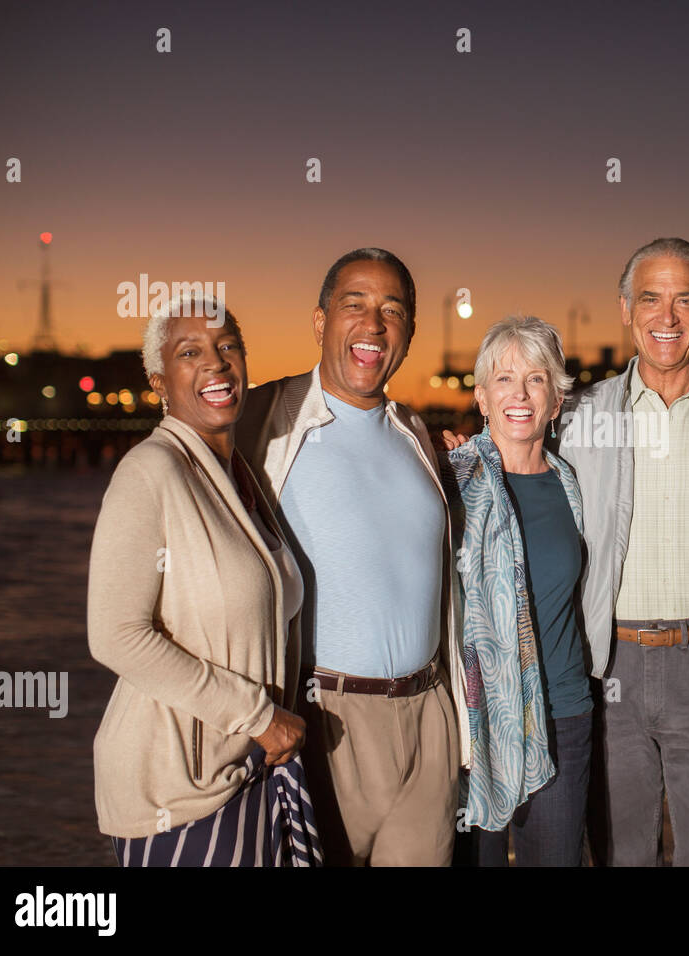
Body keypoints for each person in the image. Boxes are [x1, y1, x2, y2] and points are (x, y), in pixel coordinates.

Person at [235, 248, 469, 867]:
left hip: (430, 719)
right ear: (320, 321)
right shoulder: (261, 420)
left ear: (409, 334)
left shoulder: (418, 436)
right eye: (355, 305)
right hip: (322, 721)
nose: (374, 325)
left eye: (393, 310)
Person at [557, 237, 689, 865]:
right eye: (651, 298)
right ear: (626, 308)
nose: (667, 317)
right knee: (622, 855)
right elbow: (519, 485)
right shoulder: (579, 418)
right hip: (607, 668)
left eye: (685, 300)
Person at [88, 295, 320, 867]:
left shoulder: (241, 476)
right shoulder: (149, 471)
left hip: (242, 771)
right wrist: (260, 717)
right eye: (189, 352)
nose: (215, 363)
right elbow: (115, 635)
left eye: (227, 347)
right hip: (174, 789)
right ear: (159, 381)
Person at [441, 315, 591, 866]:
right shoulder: (451, 481)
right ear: (482, 398)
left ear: (555, 401)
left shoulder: (571, 483)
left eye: (536, 378)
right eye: (504, 379)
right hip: (477, 720)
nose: (520, 393)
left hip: (564, 712)